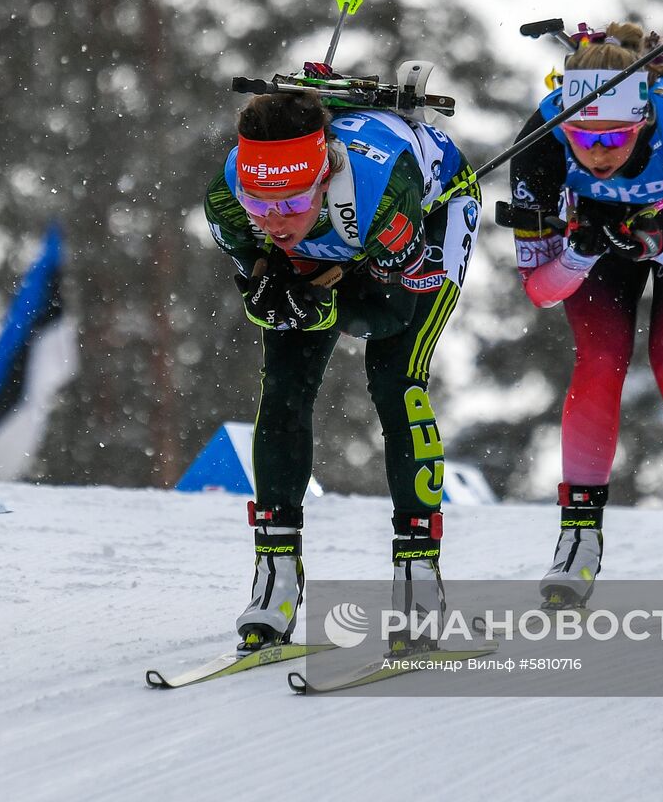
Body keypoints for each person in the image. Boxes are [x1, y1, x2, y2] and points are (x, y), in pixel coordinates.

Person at [204, 90, 480, 655]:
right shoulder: (229, 197)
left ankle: (419, 583)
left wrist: (320, 301)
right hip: (343, 242)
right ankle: (275, 581)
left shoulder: (380, 192)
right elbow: (259, 277)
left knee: (395, 376)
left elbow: (387, 313)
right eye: (260, 204)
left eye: (289, 201)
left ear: (324, 174)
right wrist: (273, 287)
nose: (274, 219)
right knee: (282, 385)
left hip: (428, 219)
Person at [507, 22, 663, 615]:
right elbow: (541, 291)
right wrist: (578, 250)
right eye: (583, 137)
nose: (597, 153)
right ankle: (578, 539)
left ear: (643, 120)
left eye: (615, 137)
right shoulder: (541, 142)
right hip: (595, 229)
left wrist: (661, 248)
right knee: (598, 362)